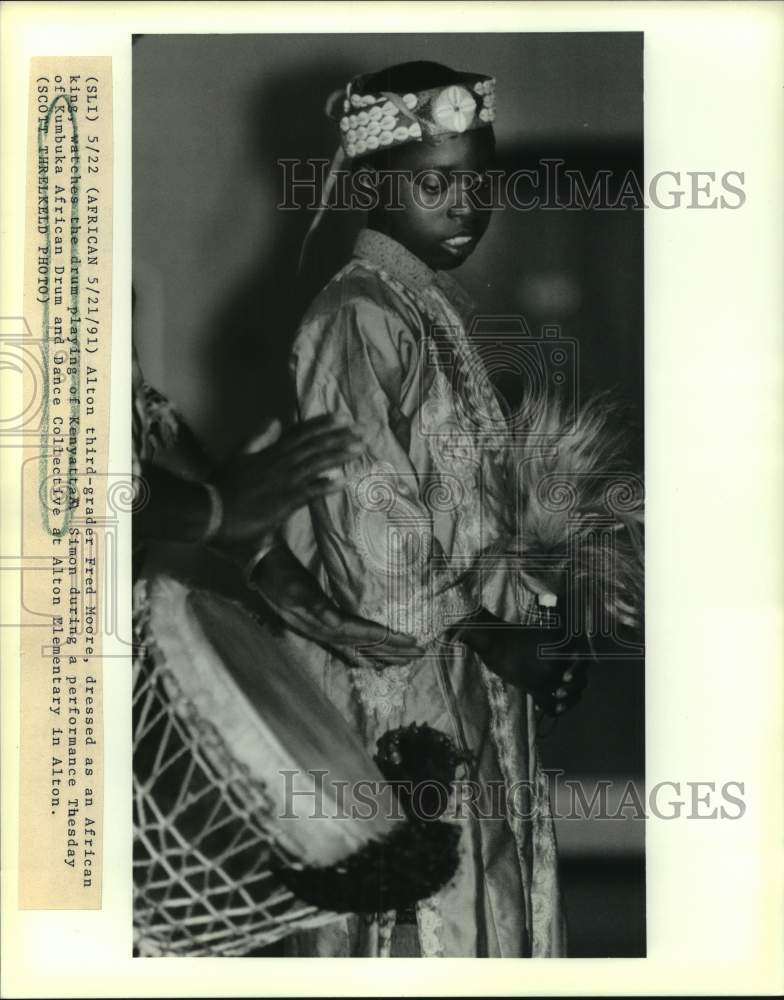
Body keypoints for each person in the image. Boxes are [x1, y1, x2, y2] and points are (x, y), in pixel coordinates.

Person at [259, 61, 589, 958]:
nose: (464, 207)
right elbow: (367, 526)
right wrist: (488, 630)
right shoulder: (355, 315)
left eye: (479, 184)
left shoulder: (422, 309)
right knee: (409, 911)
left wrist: (527, 618)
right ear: (373, 182)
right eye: (435, 183)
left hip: (461, 670)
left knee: (486, 894)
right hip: (393, 678)